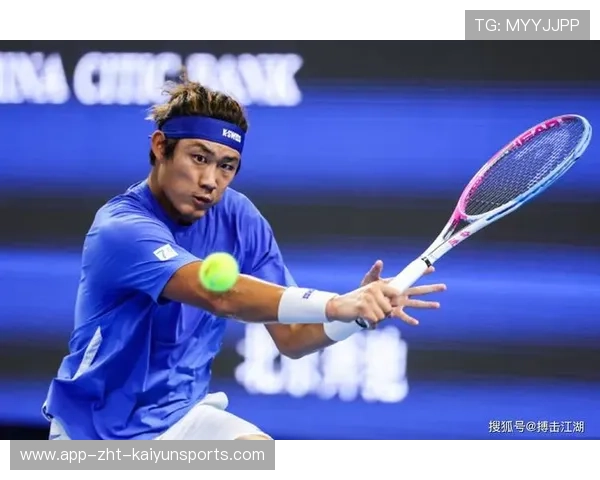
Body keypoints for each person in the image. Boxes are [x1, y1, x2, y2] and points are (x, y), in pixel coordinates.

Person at [42, 78, 447, 441]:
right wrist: (337, 303)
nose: (210, 181)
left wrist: (357, 315)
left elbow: (293, 336)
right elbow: (219, 295)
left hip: (182, 418)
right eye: (199, 158)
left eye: (227, 166)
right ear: (160, 146)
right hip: (91, 434)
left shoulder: (239, 218)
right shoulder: (121, 229)